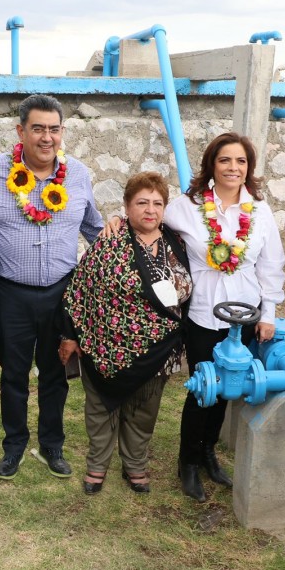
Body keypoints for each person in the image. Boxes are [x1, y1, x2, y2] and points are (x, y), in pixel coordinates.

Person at [0, 94, 104, 480]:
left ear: (62, 132)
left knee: (55, 372)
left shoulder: (77, 174)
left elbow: (93, 227)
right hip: (10, 293)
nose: (46, 138)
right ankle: (13, 445)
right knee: (13, 374)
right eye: (38, 129)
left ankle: (52, 445)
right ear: (21, 131)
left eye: (54, 129)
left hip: (61, 294)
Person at [165, 133, 285, 502]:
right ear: (211, 165)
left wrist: (269, 314)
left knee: (228, 389)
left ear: (249, 168)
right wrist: (120, 224)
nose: (234, 168)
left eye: (241, 162)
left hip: (245, 315)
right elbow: (149, 226)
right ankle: (187, 461)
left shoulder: (260, 211)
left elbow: (272, 266)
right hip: (203, 313)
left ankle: (208, 455)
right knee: (203, 389)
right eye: (225, 160)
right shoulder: (186, 206)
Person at [60, 172, 192, 495]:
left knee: (144, 411)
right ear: (127, 207)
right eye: (142, 202)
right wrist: (71, 335)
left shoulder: (177, 242)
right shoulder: (109, 241)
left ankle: (135, 465)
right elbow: (80, 290)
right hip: (106, 346)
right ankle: (97, 465)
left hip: (159, 349)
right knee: (100, 409)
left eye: (157, 203)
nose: (150, 210)